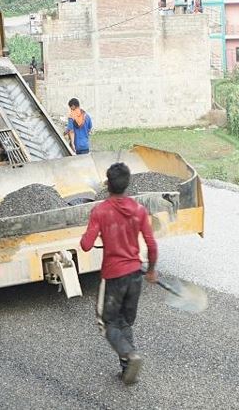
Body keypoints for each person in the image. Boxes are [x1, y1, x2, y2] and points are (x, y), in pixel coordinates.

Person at [80, 162, 158, 386]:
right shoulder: (139, 210)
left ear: (107, 185)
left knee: (107, 323)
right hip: (135, 275)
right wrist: (151, 270)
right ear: (127, 185)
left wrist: (89, 233)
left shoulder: (100, 211)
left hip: (113, 277)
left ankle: (129, 354)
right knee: (124, 322)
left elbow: (86, 245)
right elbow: (151, 244)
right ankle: (127, 370)